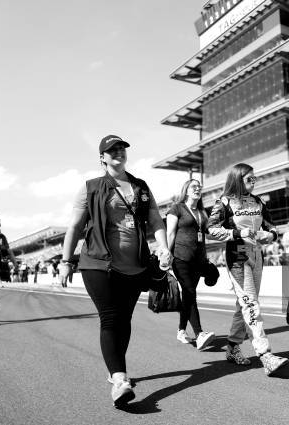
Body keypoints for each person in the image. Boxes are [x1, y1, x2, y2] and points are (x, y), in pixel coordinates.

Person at [60, 134, 172, 408]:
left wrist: (164, 247)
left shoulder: (141, 186)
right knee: (110, 319)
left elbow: (156, 218)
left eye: (122, 148)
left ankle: (114, 371)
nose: (119, 152)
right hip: (99, 263)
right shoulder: (92, 187)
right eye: (113, 150)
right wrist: (66, 261)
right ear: (102, 158)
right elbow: (75, 226)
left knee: (125, 320)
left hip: (135, 266)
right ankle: (120, 379)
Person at [207, 163, 289, 376]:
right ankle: (266, 355)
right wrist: (237, 234)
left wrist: (270, 235)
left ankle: (233, 347)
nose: (254, 182)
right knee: (251, 303)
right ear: (237, 179)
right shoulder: (225, 202)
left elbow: (271, 226)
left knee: (243, 304)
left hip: (257, 255)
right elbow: (209, 229)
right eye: (249, 179)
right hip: (237, 256)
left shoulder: (258, 201)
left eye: (255, 179)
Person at [166, 179, 217, 350]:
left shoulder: (203, 212)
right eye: (194, 186)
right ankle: (199, 334)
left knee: (188, 296)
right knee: (190, 291)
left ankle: (181, 330)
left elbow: (210, 234)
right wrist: (166, 253)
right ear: (186, 190)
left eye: (199, 186)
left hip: (198, 260)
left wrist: (234, 234)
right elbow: (171, 232)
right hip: (181, 258)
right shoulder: (177, 208)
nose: (198, 188)